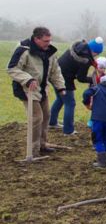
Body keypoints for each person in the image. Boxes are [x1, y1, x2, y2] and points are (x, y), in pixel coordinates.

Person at [7, 27, 66, 157]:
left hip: (42, 89)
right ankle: (33, 150)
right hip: (26, 89)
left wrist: (61, 87)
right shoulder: (23, 50)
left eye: (50, 40)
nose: (48, 43)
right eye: (45, 41)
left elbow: (55, 71)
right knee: (37, 117)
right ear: (36, 39)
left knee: (46, 115)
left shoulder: (50, 52)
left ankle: (42, 144)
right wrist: (27, 80)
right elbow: (12, 68)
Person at [49, 36, 104, 135]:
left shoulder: (79, 46)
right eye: (97, 54)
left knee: (60, 99)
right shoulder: (85, 60)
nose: (96, 56)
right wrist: (93, 79)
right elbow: (81, 78)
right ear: (95, 52)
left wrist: (93, 63)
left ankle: (52, 122)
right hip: (64, 79)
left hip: (54, 73)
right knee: (70, 103)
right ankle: (68, 130)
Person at [82, 75, 106, 169]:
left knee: (97, 138)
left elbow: (86, 93)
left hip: (98, 118)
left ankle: (102, 163)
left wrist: (87, 103)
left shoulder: (97, 88)